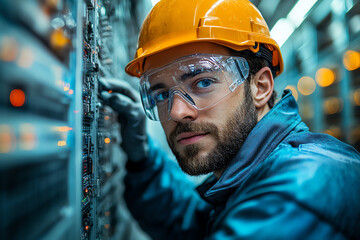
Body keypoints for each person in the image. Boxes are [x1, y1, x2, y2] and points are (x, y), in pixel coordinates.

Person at [100, 0, 360, 239]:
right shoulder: (245, 179)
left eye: (202, 82)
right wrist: (142, 158)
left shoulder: (297, 196)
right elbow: (192, 222)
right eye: (161, 95)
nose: (178, 112)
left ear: (260, 87)